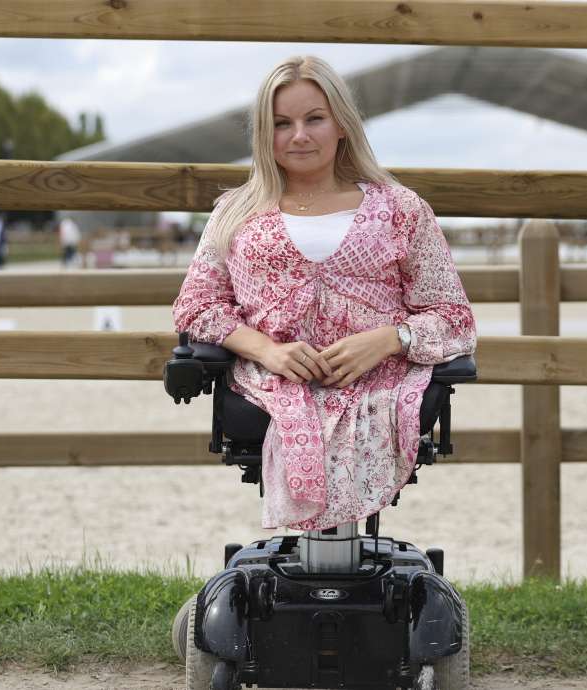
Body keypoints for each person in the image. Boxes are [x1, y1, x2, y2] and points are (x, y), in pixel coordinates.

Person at [172, 56, 477, 531]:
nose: (299, 135)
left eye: (314, 118)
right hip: (272, 382)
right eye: (282, 124)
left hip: (382, 379)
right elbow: (197, 306)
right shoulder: (236, 213)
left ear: (340, 125)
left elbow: (453, 317)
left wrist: (386, 340)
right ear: (263, 135)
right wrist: (268, 351)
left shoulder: (400, 209)